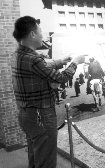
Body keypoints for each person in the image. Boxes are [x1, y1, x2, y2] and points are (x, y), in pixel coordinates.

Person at [11, 16, 86, 168]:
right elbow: (61, 78)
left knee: (35, 155)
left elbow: (42, 67)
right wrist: (75, 62)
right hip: (41, 116)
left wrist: (60, 61)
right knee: (46, 160)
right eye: (40, 31)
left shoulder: (18, 54)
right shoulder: (33, 59)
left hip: (27, 114)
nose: (42, 35)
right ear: (32, 34)